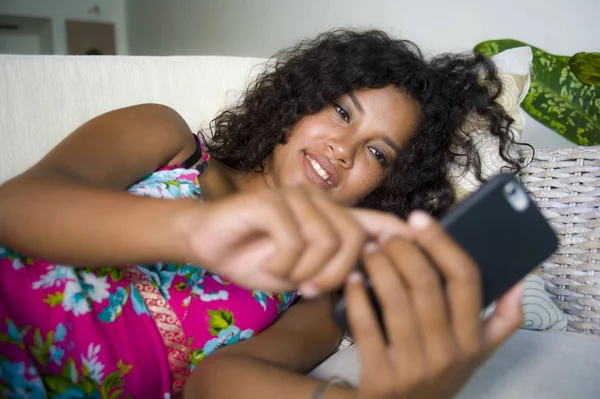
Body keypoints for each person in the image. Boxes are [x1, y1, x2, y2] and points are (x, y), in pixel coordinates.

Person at [0, 29, 525, 399]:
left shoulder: (318, 289)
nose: (343, 149)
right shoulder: (164, 137)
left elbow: (216, 384)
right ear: (299, 102)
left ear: (387, 187)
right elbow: (16, 204)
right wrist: (194, 231)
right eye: (342, 112)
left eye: (377, 153)